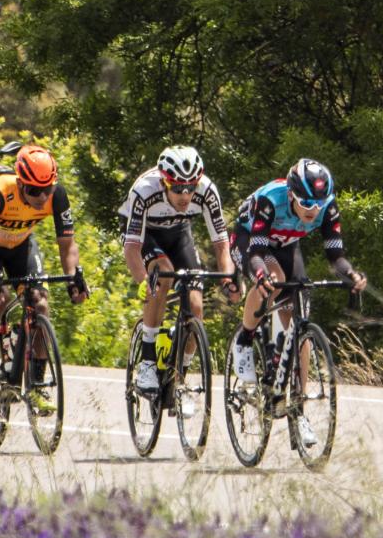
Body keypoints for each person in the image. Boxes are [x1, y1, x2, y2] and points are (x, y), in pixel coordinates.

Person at [228, 159, 368, 447]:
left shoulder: (325, 206)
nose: (312, 210)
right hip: (251, 240)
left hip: (287, 244)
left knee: (300, 319)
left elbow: (335, 256)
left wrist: (351, 275)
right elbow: (256, 250)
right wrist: (258, 274)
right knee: (273, 278)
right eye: (306, 203)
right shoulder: (270, 201)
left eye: (318, 204)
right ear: (291, 194)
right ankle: (245, 339)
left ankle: (297, 410)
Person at [0, 145, 87, 413]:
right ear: (20, 183)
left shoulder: (57, 196)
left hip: (21, 247)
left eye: (48, 189)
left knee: (40, 305)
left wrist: (73, 279)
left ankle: (37, 385)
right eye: (33, 190)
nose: (42, 197)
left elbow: (67, 245)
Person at [119, 145, 238, 395]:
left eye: (191, 188)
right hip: (146, 235)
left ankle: (180, 377)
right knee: (163, 274)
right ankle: (148, 363)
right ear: (164, 182)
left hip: (179, 234)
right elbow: (131, 248)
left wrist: (228, 278)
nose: (185, 195)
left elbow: (221, 243)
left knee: (195, 306)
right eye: (177, 188)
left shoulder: (207, 191)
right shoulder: (144, 190)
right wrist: (143, 281)